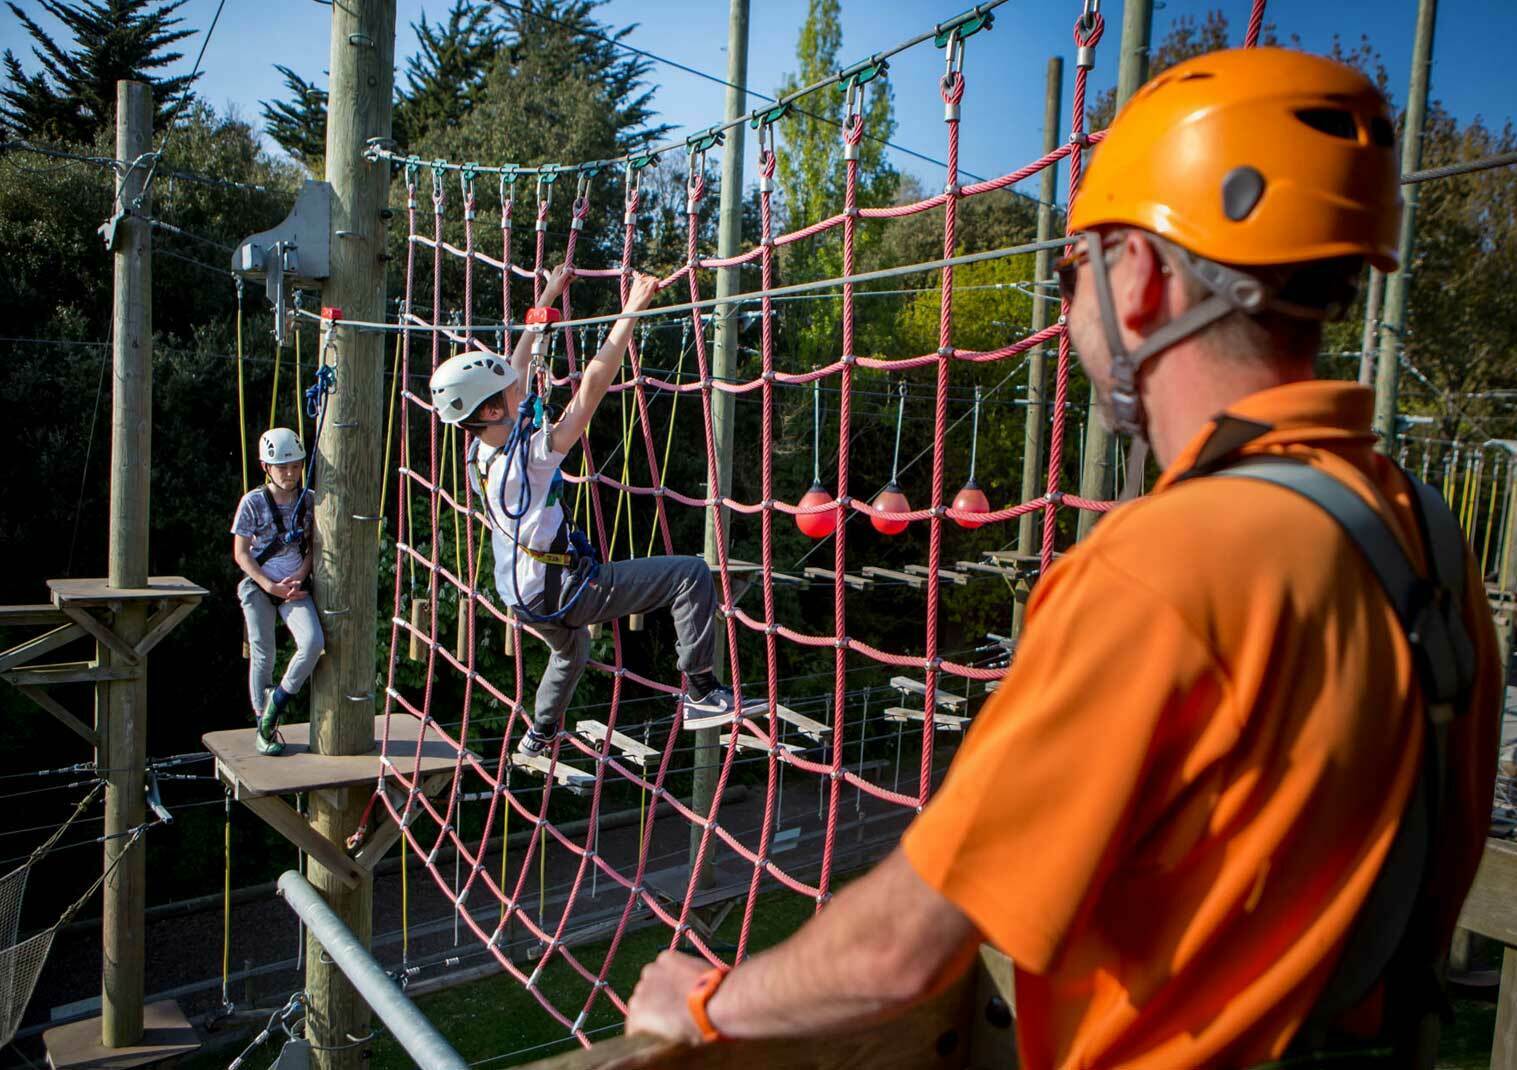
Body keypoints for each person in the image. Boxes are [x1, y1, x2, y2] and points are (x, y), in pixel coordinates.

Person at [624, 47, 1501, 1068]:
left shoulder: (1166, 567)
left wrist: (705, 999)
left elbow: (904, 945)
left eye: (1071, 267)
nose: (1065, 299)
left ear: (1141, 275)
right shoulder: (1418, 536)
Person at [429, 265, 763, 760]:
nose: (518, 387)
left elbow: (512, 370)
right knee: (690, 574)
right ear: (495, 411)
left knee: (572, 651)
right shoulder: (532, 457)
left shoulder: (478, 450)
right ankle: (700, 691)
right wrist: (631, 309)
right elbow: (594, 384)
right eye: (508, 392)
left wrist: (545, 300)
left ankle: (539, 734)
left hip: (519, 594)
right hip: (562, 589)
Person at [232, 428, 323, 757]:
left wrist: (300, 575)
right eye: (282, 467)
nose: (290, 473)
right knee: (263, 653)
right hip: (260, 585)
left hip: (295, 586)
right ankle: (263, 724)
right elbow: (241, 552)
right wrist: (268, 584)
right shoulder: (253, 502)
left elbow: (314, 545)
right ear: (266, 467)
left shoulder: (309, 499)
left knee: (313, 643)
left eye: (296, 466)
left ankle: (277, 702)